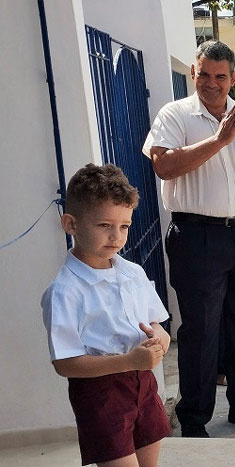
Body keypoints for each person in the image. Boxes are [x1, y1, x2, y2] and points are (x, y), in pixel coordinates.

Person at [143, 40, 235, 437]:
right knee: (201, 331)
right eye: (203, 74)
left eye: (220, 76)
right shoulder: (175, 114)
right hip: (197, 237)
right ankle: (194, 417)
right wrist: (219, 140)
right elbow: (164, 166)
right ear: (193, 73)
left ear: (233, 78)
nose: (211, 83)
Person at [42, 164, 171, 467]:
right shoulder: (65, 292)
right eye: (104, 225)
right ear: (71, 224)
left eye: (124, 226)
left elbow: (155, 322)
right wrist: (129, 361)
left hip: (143, 383)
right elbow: (65, 364)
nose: (116, 236)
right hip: (101, 394)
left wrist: (160, 338)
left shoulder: (132, 272)